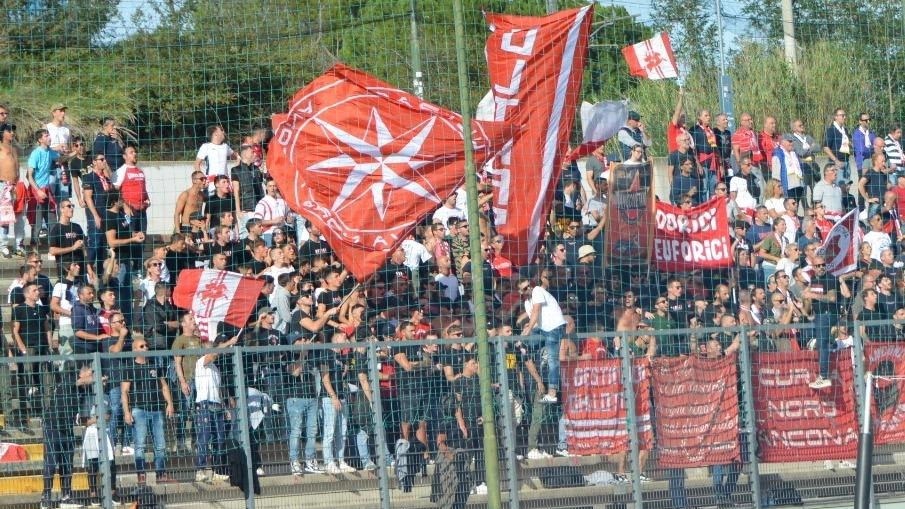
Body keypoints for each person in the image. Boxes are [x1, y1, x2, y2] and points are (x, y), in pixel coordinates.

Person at [121, 336, 177, 486]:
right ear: (134, 350)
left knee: (160, 445)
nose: (145, 348)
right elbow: (124, 392)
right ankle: (141, 475)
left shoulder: (154, 365)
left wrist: (170, 403)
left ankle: (161, 474)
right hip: (139, 410)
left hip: (157, 410)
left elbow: (163, 385)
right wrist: (127, 412)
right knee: (140, 445)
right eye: (142, 346)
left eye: (146, 345)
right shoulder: (129, 367)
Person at [40, 364, 94, 509]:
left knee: (67, 464)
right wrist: (98, 378)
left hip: (67, 428)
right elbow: (80, 381)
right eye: (91, 373)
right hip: (52, 426)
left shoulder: (84, 391)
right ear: (82, 374)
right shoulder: (70, 379)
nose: (92, 376)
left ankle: (66, 497)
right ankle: (45, 497)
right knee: (51, 463)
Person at [804, 256, 851, 389]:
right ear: (813, 267)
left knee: (821, 343)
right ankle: (832, 346)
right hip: (819, 315)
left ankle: (824, 376)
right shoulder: (813, 280)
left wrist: (812, 295)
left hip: (828, 314)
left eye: (823, 265)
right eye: (818, 265)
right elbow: (809, 298)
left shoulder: (830, 279)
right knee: (822, 342)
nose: (821, 267)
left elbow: (831, 298)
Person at [193, 323, 230, 484]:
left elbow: (219, 390)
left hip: (217, 405)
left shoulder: (216, 368)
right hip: (204, 405)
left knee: (219, 440)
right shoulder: (202, 361)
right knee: (204, 437)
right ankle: (200, 470)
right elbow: (212, 355)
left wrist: (225, 407)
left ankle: (217, 470)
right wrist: (228, 343)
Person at [518, 276, 565, 403]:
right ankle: (539, 352)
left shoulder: (537, 290)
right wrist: (526, 332)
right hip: (543, 329)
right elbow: (534, 320)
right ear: (521, 292)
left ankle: (552, 392)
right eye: (525, 288)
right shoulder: (527, 303)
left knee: (552, 360)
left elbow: (536, 311)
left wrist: (529, 328)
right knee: (524, 344)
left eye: (529, 285)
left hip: (554, 327)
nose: (529, 288)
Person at [27, 128, 60, 246]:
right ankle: (34, 250)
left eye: (49, 135)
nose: (49, 137)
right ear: (40, 140)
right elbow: (29, 176)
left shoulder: (50, 151)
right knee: (37, 222)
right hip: (36, 191)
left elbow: (61, 159)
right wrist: (38, 191)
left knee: (52, 219)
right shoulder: (35, 153)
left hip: (47, 190)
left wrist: (75, 152)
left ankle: (53, 247)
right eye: (46, 136)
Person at [81, 153, 112, 275]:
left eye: (105, 159)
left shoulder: (105, 178)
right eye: (101, 159)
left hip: (106, 213)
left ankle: (100, 272)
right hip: (96, 213)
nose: (104, 161)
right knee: (95, 241)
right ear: (94, 162)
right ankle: (87, 268)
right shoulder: (88, 177)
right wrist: (95, 216)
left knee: (103, 244)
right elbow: (88, 198)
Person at [49, 198, 90, 282]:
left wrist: (88, 266)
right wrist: (72, 248)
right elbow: (52, 250)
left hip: (80, 269)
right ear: (61, 210)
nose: (72, 208)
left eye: (72, 206)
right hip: (66, 272)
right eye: (69, 206)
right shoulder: (56, 229)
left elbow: (84, 249)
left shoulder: (77, 227)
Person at [113, 145, 151, 234]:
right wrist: (125, 206)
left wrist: (147, 199)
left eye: (135, 152)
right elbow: (114, 192)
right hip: (129, 212)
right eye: (131, 152)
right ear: (124, 156)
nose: (135, 154)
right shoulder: (120, 171)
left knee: (142, 238)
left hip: (142, 212)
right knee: (130, 237)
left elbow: (143, 189)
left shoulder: (140, 171)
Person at [231, 144, 264, 239]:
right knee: (245, 234)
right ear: (245, 154)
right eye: (252, 152)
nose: (254, 153)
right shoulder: (236, 170)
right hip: (245, 208)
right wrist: (238, 210)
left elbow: (261, 188)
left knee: (259, 234)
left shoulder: (256, 169)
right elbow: (236, 191)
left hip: (259, 207)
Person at [195, 125, 236, 191]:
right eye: (221, 130)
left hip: (225, 183)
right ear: (215, 134)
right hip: (211, 184)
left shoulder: (225, 146)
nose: (223, 132)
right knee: (213, 200)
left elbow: (237, 157)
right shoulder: (206, 146)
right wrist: (203, 180)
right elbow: (197, 164)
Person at [824, 108, 852, 184]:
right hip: (836, 164)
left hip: (846, 162)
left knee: (847, 188)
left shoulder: (845, 130)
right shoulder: (831, 130)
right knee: (839, 187)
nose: (844, 117)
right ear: (835, 117)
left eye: (845, 115)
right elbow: (826, 148)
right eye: (842, 115)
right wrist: (836, 161)